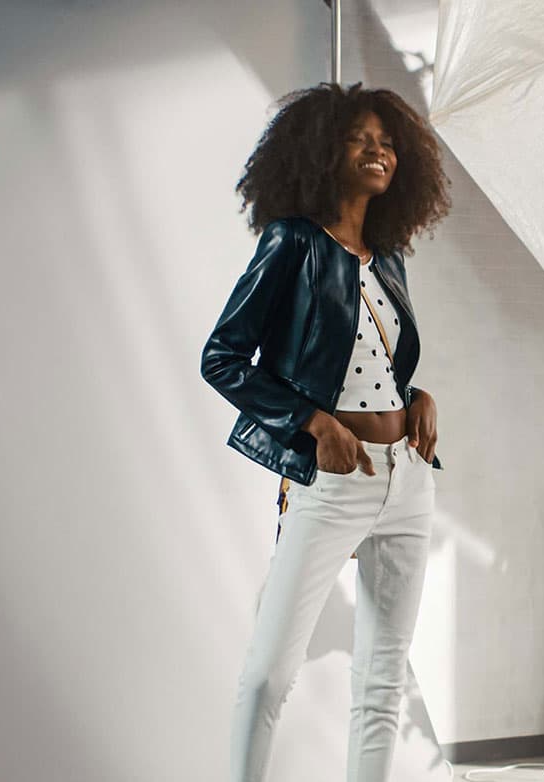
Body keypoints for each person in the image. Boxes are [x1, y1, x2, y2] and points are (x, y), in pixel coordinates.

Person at [202, 82, 450, 782]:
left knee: (382, 681)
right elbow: (221, 357)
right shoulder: (293, 243)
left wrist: (418, 397)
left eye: (389, 142)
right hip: (335, 482)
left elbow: (375, 363)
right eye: (360, 139)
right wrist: (309, 422)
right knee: (267, 676)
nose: (379, 151)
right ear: (321, 151)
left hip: (408, 479)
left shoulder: (389, 255)